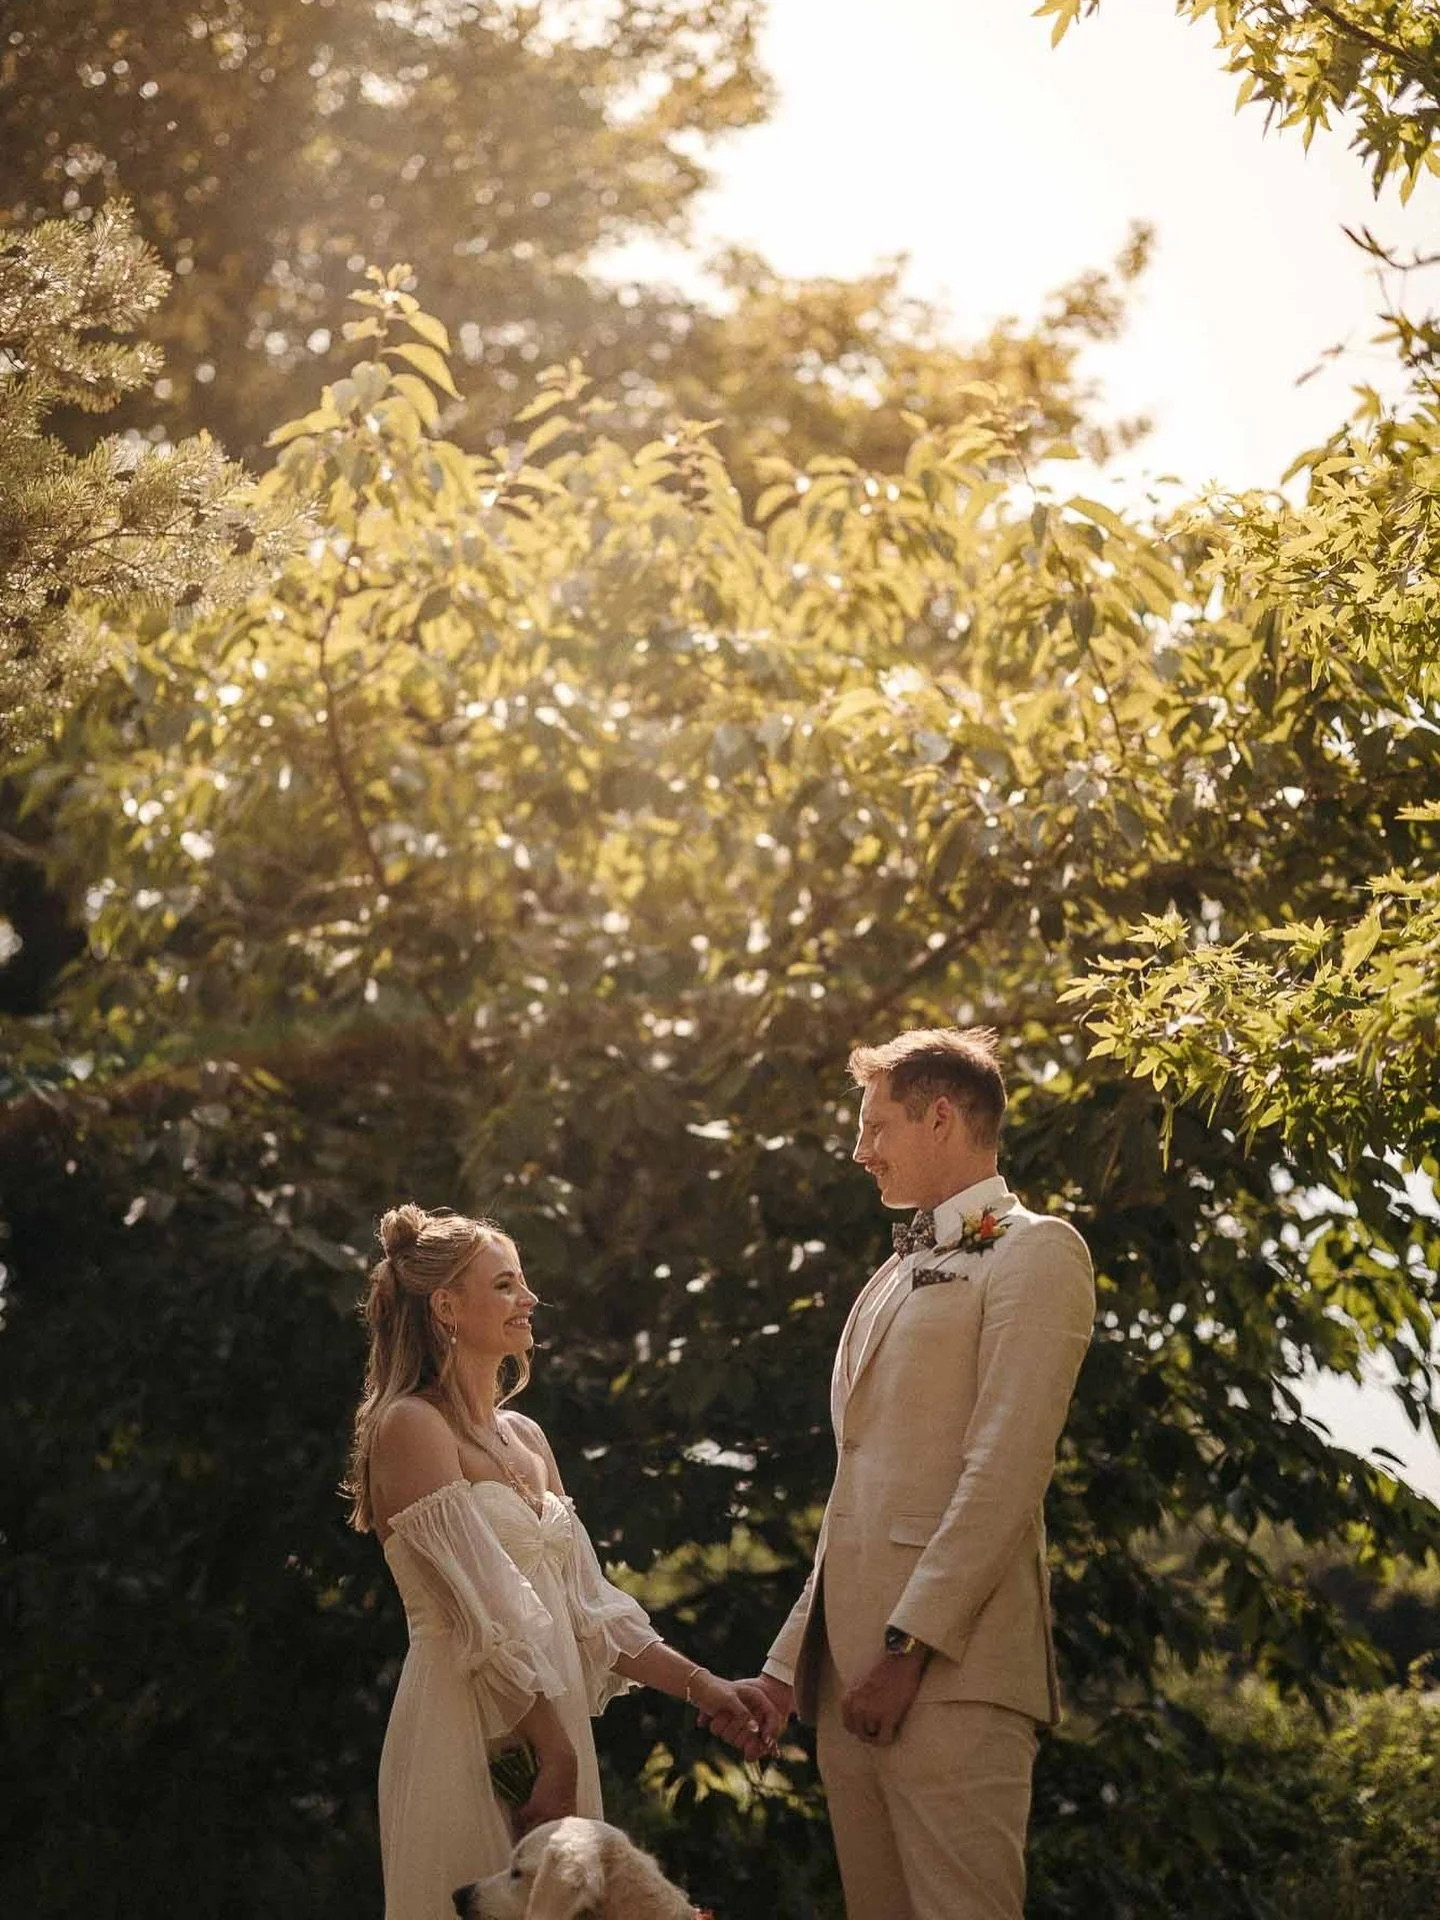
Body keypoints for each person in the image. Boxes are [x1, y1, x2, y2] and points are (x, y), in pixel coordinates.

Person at [741, 1028, 1095, 1920]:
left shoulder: (1035, 1251)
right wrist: (792, 1666)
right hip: (847, 1685)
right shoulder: (892, 1274)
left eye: (877, 1126)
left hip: (953, 1672)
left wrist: (908, 1649)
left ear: (940, 1117)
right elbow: (857, 1487)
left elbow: (1006, 1469)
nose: (861, 1151)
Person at [346, 1203, 779, 1920]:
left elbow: (589, 1610)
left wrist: (705, 1687)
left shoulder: (527, 1436)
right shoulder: (409, 1427)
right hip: (471, 1727)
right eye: (508, 1285)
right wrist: (555, 1757)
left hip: (554, 1726)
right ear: (447, 1306)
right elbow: (483, 1611)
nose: (530, 1300)